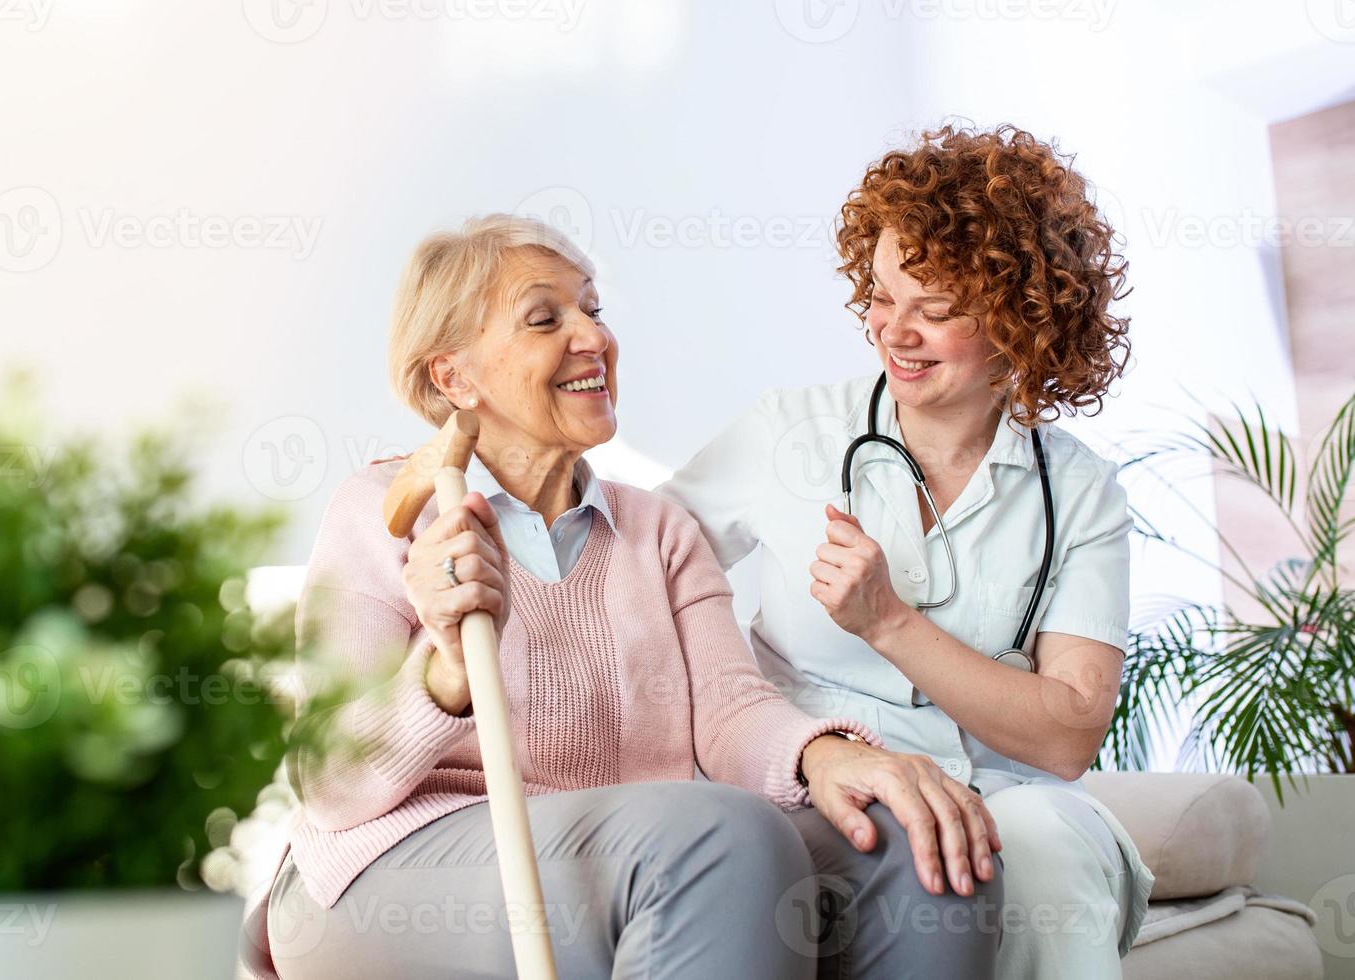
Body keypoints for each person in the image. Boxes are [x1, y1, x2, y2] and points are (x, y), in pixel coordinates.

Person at [242, 214, 1003, 979]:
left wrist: (825, 756)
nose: (593, 338)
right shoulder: (384, 513)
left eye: (593, 311)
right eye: (546, 319)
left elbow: (733, 711)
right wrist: (444, 672)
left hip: (631, 848)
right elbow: (332, 785)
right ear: (453, 378)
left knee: (921, 841)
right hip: (393, 866)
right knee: (720, 838)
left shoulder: (657, 531)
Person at [658, 124, 1156, 979]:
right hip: (819, 780)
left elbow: (1069, 735)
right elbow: (639, 562)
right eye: (883, 297)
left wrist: (888, 623)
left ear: (1021, 317)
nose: (895, 332)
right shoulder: (790, 434)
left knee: (1042, 846)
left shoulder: (1078, 492)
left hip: (1006, 796)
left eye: (936, 311)